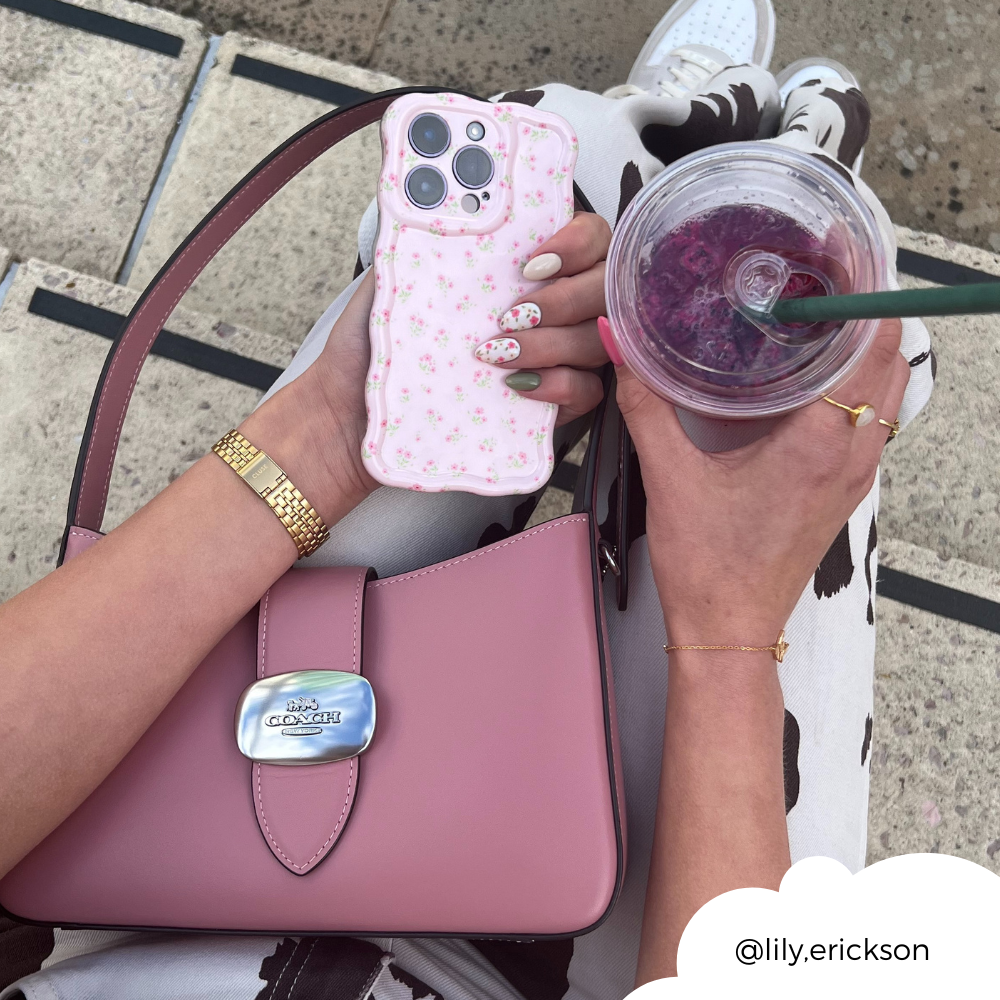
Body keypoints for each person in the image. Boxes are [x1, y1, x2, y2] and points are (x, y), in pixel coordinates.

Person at [0, 0, 932, 997]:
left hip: (135, 908)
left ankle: (673, 124)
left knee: (551, 164)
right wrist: (730, 631)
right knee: (832, 326)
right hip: (606, 950)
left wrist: (320, 433)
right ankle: (750, 141)